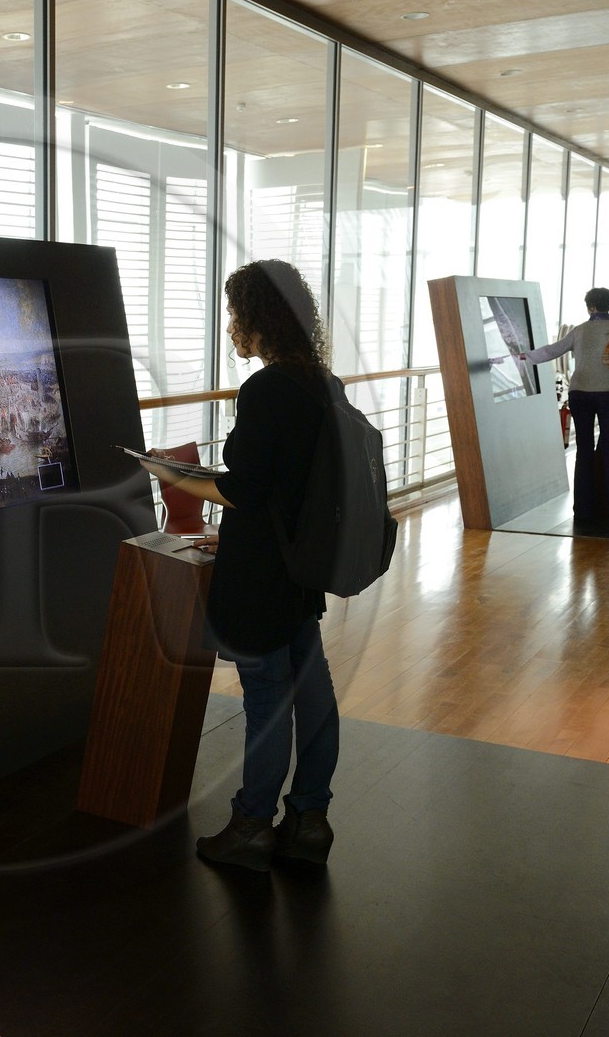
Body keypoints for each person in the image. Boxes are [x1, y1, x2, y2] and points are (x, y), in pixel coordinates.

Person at [139, 259, 338, 873]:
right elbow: (292, 489)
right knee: (313, 692)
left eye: (235, 313)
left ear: (260, 318)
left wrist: (170, 474)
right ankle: (308, 820)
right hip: (303, 567)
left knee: (267, 699)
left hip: (261, 578)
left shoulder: (267, 389)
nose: (230, 327)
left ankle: (252, 824)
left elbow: (246, 490)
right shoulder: (321, 382)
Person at [517, 287, 609, 526]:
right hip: (608, 395)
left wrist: (523, 357)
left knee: (583, 451)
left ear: (590, 306)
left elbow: (552, 351)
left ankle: (583, 510)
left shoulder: (579, 330)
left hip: (579, 394)